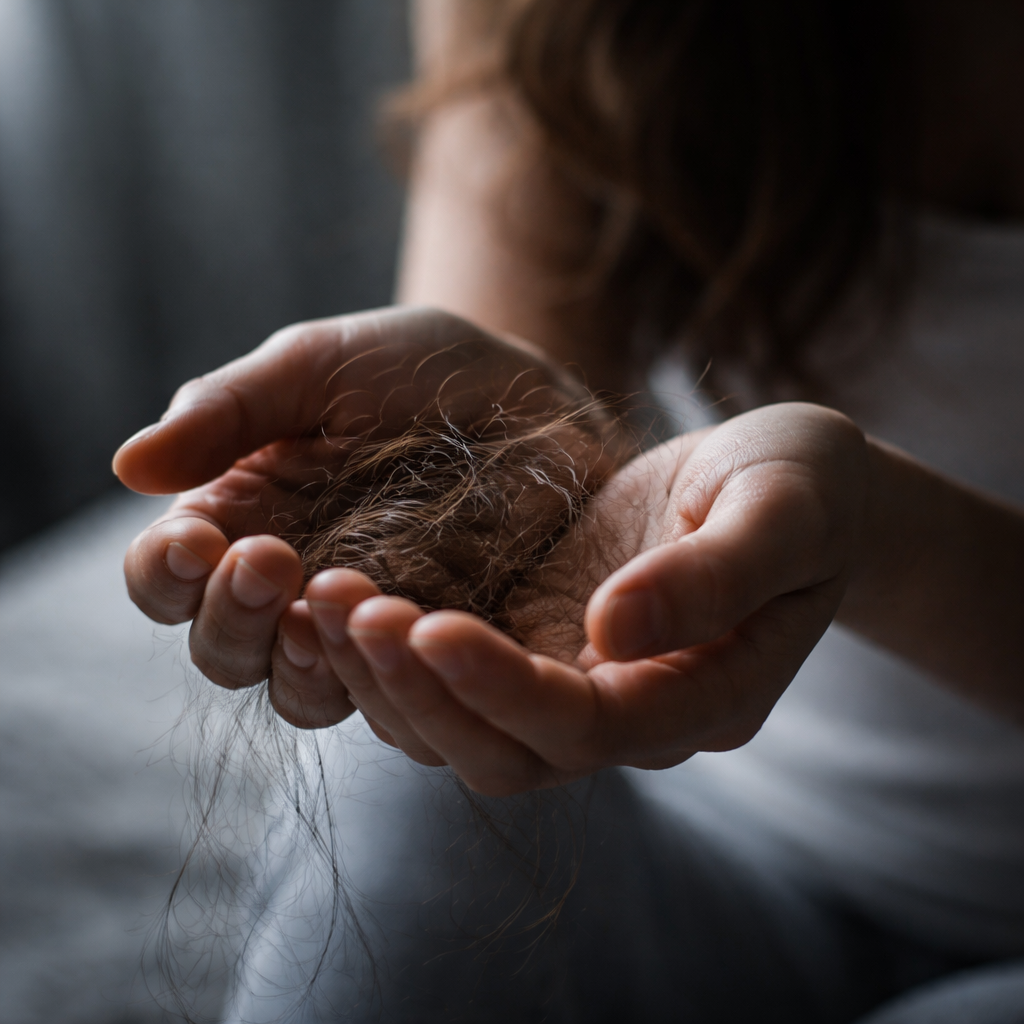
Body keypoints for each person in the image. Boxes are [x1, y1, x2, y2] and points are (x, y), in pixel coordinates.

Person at [114, 1, 1024, 1020]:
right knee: (415, 697)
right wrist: (504, 457)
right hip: (720, 859)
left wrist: (877, 532)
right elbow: (523, 508)